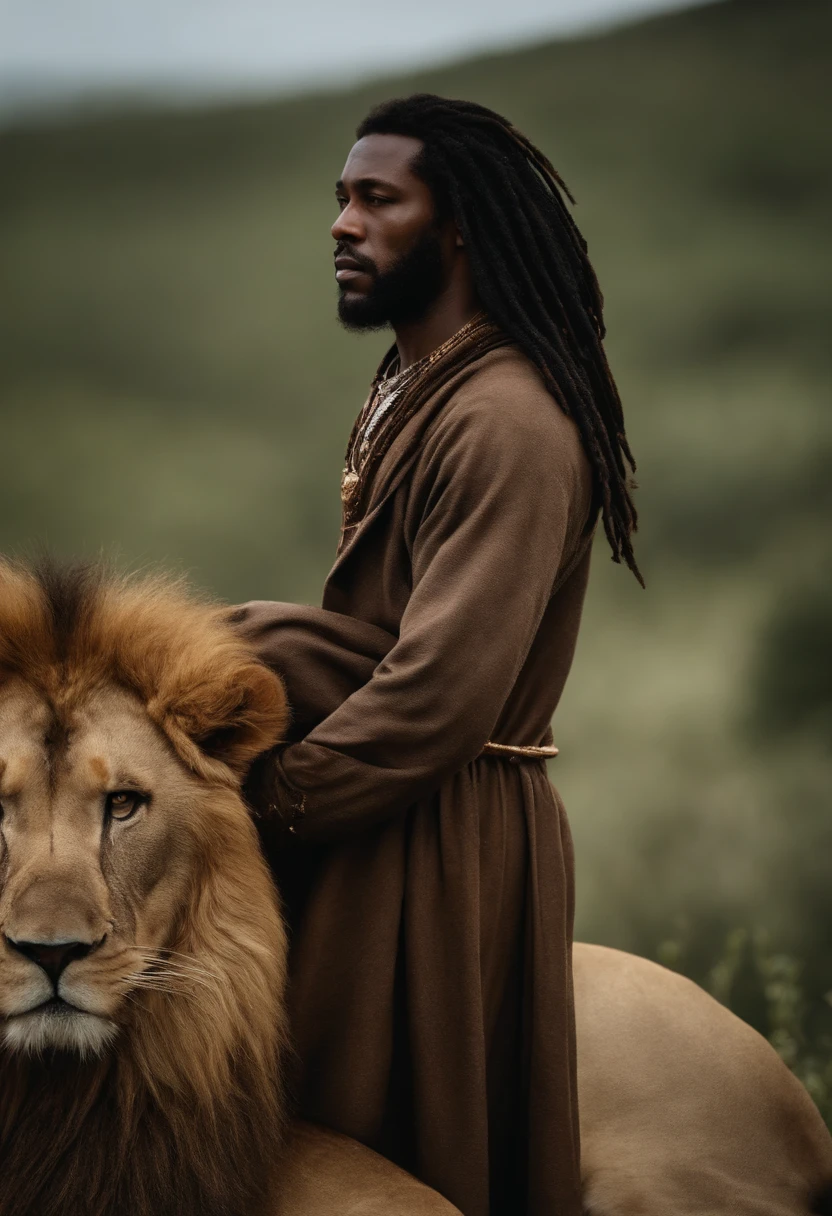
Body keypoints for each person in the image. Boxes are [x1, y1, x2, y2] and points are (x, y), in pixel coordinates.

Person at [235, 93, 641, 1216]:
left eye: (377, 199)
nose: (342, 225)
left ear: (455, 226)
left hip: (441, 822)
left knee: (391, 1139)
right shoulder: (420, 383)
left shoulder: (506, 419)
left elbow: (434, 697)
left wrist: (256, 801)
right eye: (338, 199)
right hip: (387, 805)